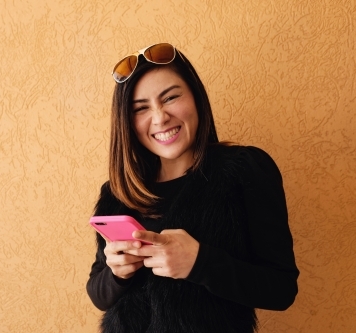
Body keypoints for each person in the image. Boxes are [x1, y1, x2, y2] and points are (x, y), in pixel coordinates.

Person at [85, 43, 299, 333]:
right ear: (128, 122)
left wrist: (200, 262)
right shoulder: (118, 192)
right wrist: (116, 273)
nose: (160, 117)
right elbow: (98, 294)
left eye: (170, 97)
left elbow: (281, 289)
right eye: (141, 108)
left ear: (196, 98)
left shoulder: (244, 169)